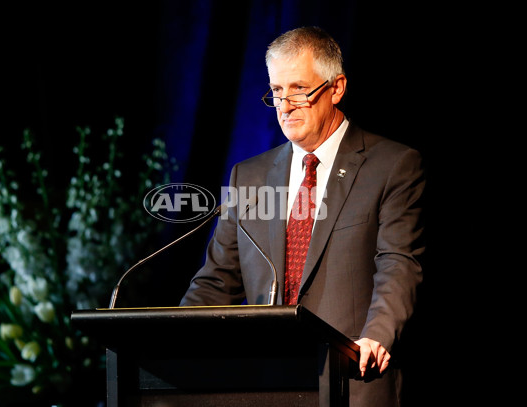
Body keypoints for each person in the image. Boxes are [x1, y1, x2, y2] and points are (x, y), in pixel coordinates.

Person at [180, 26, 425, 407]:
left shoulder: (392, 166)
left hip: (352, 379)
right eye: (277, 91)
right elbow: (217, 282)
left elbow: (398, 263)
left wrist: (376, 335)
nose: (285, 105)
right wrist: (169, 339)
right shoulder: (250, 176)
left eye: (299, 89)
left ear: (337, 88)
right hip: (263, 386)